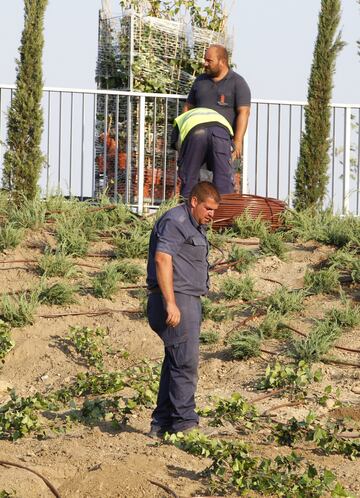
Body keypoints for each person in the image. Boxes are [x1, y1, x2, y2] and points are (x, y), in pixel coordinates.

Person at [146, 181, 220, 436]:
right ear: (194, 202)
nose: (211, 214)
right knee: (185, 363)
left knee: (174, 362)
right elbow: (162, 258)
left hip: (186, 299)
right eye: (207, 208)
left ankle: (162, 424)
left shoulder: (193, 224)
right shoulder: (176, 221)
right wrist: (171, 303)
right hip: (177, 299)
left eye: (214, 210)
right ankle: (185, 424)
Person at [178, 44, 251, 198]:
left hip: (220, 135)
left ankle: (222, 214)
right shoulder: (200, 81)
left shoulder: (238, 83)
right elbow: (188, 107)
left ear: (222, 62)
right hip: (196, 133)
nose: (205, 63)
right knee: (189, 175)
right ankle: (185, 209)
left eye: (209, 60)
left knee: (222, 178)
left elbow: (244, 112)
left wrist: (238, 141)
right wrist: (181, 135)